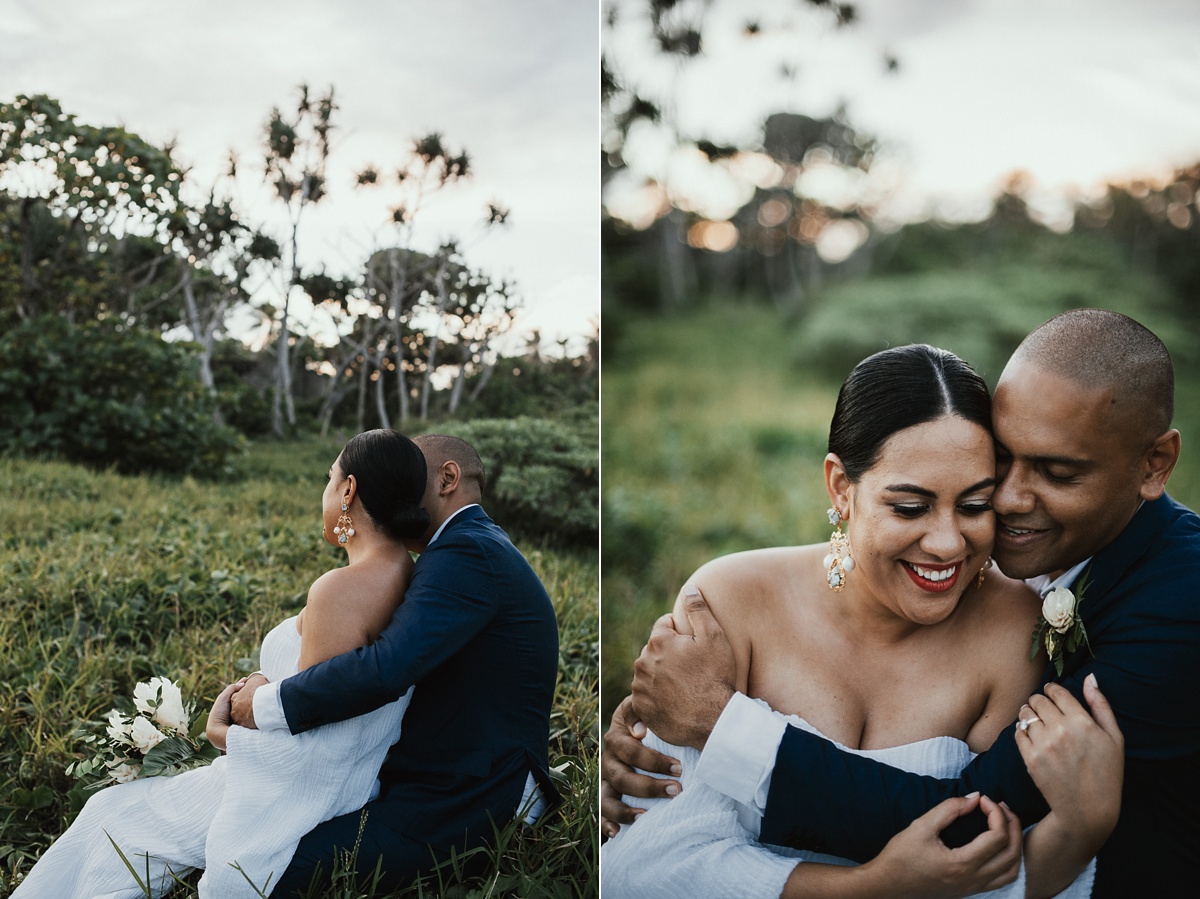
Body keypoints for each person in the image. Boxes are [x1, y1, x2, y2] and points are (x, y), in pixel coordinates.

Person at [606, 309, 1200, 897]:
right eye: (912, 506)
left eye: (975, 503)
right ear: (841, 487)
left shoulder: (1142, 608)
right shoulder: (731, 602)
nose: (1011, 502)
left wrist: (721, 726)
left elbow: (975, 833)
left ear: (1157, 465)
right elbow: (649, 858)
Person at [14, 428, 430, 897]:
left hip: (283, 790)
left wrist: (223, 735)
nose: (325, 493)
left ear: (349, 490)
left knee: (111, 817)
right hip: (327, 775)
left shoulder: (341, 589)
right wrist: (262, 684)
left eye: (328, 479)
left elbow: (314, 746)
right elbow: (327, 692)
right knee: (114, 812)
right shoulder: (404, 574)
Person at [229, 433, 561, 895]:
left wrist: (266, 705)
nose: (396, 496)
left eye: (408, 479)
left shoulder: (468, 552)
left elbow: (386, 667)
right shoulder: (451, 551)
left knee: (270, 868)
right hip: (442, 770)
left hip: (472, 795)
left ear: (448, 479)